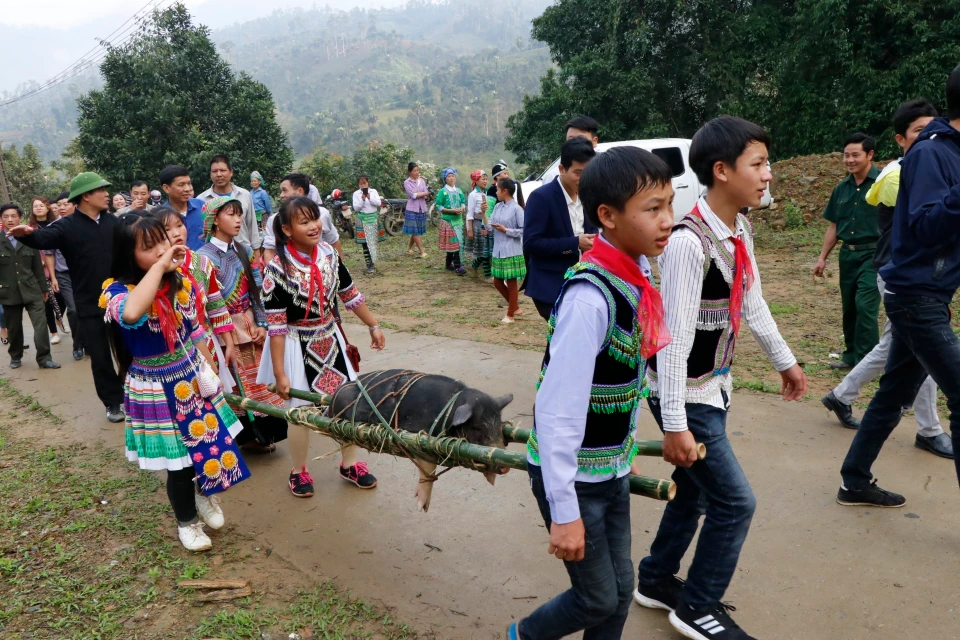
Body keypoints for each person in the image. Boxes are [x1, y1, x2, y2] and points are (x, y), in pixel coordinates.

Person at [640, 116, 807, 640]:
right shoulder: (690, 244)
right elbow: (674, 340)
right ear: (721, 171)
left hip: (713, 386)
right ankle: (698, 606)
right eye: (758, 164)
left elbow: (751, 301)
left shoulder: (738, 230)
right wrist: (673, 423)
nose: (769, 175)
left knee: (694, 492)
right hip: (686, 395)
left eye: (767, 164)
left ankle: (655, 578)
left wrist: (784, 359)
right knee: (735, 503)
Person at [509, 146, 674, 640]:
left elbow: (624, 377)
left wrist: (624, 451)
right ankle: (523, 635)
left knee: (621, 592)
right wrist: (564, 511)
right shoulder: (590, 296)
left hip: (610, 469)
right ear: (607, 215)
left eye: (668, 204)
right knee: (598, 596)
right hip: (574, 478)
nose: (667, 220)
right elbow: (558, 410)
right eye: (652, 209)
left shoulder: (635, 275)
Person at [837, 67, 960, 507]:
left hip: (930, 292)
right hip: (914, 294)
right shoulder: (931, 154)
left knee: (894, 392)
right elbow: (927, 226)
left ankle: (853, 481)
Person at [100, 214, 249, 552]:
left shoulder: (179, 280)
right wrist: (161, 265)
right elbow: (133, 313)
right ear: (127, 255)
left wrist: (212, 372)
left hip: (191, 375)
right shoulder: (115, 291)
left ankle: (203, 495)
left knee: (208, 444)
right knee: (179, 464)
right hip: (154, 386)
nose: (161, 251)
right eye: (148, 247)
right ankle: (187, 523)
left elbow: (194, 330)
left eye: (163, 241)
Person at [821, 100, 952, 459]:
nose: (930, 136)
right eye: (920, 131)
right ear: (900, 138)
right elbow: (929, 227)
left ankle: (842, 397)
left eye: (933, 128)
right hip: (903, 278)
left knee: (898, 350)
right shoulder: (901, 173)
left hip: (910, 277)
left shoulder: (916, 166)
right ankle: (929, 429)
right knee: (920, 353)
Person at [258, 196, 384, 497]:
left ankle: (349, 463)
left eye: (315, 218)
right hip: (294, 344)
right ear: (288, 230)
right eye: (304, 222)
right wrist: (280, 374)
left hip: (330, 338)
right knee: (301, 412)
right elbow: (275, 328)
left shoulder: (328, 253)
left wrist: (373, 324)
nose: (314, 226)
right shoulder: (276, 271)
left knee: (347, 403)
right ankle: (298, 470)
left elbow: (349, 293)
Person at [8, 173, 125, 422]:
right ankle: (113, 402)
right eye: (101, 190)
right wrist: (25, 234)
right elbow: (42, 238)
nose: (107, 194)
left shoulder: (113, 223)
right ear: (86, 196)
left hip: (122, 300)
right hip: (89, 302)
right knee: (101, 356)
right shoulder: (67, 226)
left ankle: (133, 396)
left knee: (128, 352)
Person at [196, 196, 286, 452]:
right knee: (236, 381)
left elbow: (258, 288)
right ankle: (247, 437)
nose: (238, 220)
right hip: (223, 328)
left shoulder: (244, 250)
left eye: (239, 214)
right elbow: (206, 304)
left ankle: (266, 434)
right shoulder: (202, 258)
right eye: (230, 215)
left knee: (260, 378)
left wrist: (262, 324)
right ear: (214, 221)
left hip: (249, 322)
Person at [153, 206, 238, 400]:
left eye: (179, 225)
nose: (176, 233)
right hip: (174, 349)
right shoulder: (155, 270)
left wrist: (229, 343)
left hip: (207, 341)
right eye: (167, 229)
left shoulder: (202, 262)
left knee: (215, 396)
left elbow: (216, 305)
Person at [813, 133, 881, 370]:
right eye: (846, 155)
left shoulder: (884, 183)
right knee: (850, 306)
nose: (850, 160)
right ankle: (851, 355)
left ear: (870, 155)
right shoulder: (841, 189)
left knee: (865, 304)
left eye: (855, 155)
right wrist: (822, 258)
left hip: (876, 255)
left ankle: (868, 362)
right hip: (848, 255)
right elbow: (833, 226)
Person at [523, 137, 598, 319]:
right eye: (578, 173)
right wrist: (575, 243)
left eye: (588, 173)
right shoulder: (541, 197)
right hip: (550, 284)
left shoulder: (589, 195)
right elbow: (531, 243)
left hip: (585, 281)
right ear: (562, 169)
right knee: (561, 337)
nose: (583, 179)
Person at [0, 203, 60, 371]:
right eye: (6, 216)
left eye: (13, 216)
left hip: (32, 289)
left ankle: (44, 358)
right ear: (2, 219)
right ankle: (16, 356)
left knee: (41, 325)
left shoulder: (28, 238)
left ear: (20, 218)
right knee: (14, 328)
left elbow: (37, 267)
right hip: (8, 292)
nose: (10, 219)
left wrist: (44, 288)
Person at [263, 173, 341, 265]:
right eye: (304, 222)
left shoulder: (322, 214)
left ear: (300, 191)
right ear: (286, 229)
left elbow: (333, 241)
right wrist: (273, 272)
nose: (281, 195)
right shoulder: (275, 219)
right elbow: (270, 250)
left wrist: (339, 270)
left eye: (285, 191)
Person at [196, 155, 261, 257]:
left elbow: (252, 226)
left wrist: (256, 254)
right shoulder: (201, 200)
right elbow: (202, 232)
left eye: (222, 170)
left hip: (244, 253)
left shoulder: (244, 195)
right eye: (214, 171)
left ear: (231, 172)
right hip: (216, 256)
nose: (218, 174)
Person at [29, 197, 66, 347]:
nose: (38, 208)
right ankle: (54, 333)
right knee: (47, 302)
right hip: (41, 270)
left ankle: (59, 317)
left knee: (62, 298)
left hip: (59, 267)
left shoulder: (56, 225)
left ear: (47, 207)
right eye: (35, 206)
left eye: (41, 205)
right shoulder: (30, 228)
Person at [489, 179, 526, 323]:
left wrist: (506, 230)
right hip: (498, 250)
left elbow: (524, 231)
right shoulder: (498, 206)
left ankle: (510, 314)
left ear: (505, 191)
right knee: (497, 282)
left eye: (497, 189)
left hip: (511, 250)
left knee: (511, 283)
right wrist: (485, 217)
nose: (496, 192)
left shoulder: (517, 209)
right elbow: (490, 224)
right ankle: (515, 307)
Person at [160, 165, 206, 251]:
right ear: (166, 188)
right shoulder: (159, 216)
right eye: (181, 185)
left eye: (189, 184)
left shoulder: (203, 207)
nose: (188, 189)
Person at [436, 167, 468, 275]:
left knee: (458, 243)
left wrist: (462, 208)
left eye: (453, 176)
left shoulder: (459, 191)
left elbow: (463, 202)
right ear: (445, 179)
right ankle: (458, 267)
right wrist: (450, 210)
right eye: (449, 176)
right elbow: (438, 206)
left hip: (458, 221)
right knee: (455, 244)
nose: (451, 178)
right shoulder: (442, 192)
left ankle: (448, 264)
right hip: (448, 221)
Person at [352, 175, 384, 273]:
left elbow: (378, 203)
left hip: (373, 218)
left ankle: (373, 262)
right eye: (361, 184)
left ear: (368, 182)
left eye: (364, 183)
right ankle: (368, 264)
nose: (363, 185)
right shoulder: (356, 194)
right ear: (358, 184)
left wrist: (370, 198)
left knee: (373, 241)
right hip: (362, 219)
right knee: (365, 243)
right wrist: (362, 199)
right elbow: (356, 208)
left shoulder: (373, 192)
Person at [467, 170, 494, 282]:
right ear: (476, 181)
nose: (485, 181)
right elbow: (470, 213)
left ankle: (474, 265)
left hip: (487, 223)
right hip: (478, 224)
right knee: (484, 251)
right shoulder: (473, 195)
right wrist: (470, 229)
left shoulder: (488, 193)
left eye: (486, 179)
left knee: (486, 250)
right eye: (482, 179)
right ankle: (487, 276)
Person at [403, 162, 430, 258]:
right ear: (410, 172)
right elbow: (413, 195)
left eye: (418, 170)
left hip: (421, 208)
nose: (417, 172)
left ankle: (409, 248)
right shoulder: (407, 182)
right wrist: (423, 193)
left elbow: (424, 193)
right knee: (415, 231)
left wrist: (421, 193)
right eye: (414, 171)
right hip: (411, 208)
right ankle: (422, 251)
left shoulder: (422, 181)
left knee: (416, 230)